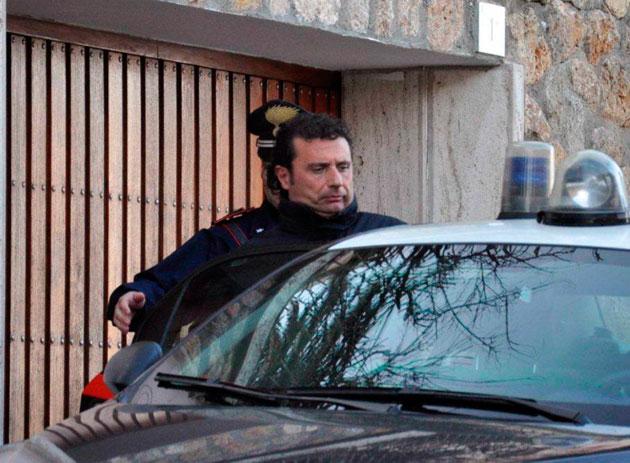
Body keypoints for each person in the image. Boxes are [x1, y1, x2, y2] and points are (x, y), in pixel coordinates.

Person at [109, 100, 306, 335]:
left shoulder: (337, 233)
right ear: (263, 172)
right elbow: (163, 286)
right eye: (272, 171)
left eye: (288, 172)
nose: (279, 182)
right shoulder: (232, 238)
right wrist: (133, 298)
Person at [250, 112, 405, 246]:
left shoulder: (396, 239)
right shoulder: (256, 257)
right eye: (319, 169)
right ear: (284, 177)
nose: (336, 181)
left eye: (343, 167)